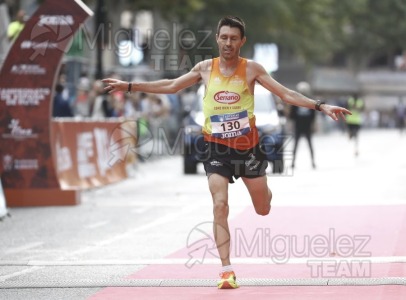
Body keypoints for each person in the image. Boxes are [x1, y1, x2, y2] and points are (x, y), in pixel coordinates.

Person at [102, 16, 351, 289]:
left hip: (247, 150)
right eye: (224, 38)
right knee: (219, 205)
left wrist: (320, 105)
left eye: (234, 38)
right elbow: (172, 85)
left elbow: (286, 94)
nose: (228, 43)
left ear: (242, 41)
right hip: (215, 148)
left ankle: (264, 191)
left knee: (263, 209)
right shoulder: (205, 69)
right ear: (217, 39)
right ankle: (226, 271)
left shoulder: (252, 69)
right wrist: (129, 86)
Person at [290, 82, 317, 169]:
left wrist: (313, 125)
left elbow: (313, 115)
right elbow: (292, 115)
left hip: (307, 126)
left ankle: (313, 162)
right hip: (298, 126)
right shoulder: (295, 102)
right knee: (296, 145)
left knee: (309, 145)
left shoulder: (310, 101)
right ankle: (293, 162)